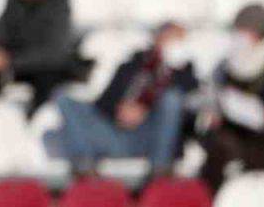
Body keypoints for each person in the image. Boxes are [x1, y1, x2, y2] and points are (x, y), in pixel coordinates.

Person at [53, 22, 197, 176]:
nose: (173, 45)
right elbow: (104, 102)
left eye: (178, 40)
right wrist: (119, 110)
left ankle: (160, 169)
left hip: (150, 137)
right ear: (158, 39)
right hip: (115, 132)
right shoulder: (133, 65)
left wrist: (145, 108)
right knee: (64, 98)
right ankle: (85, 166)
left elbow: (187, 104)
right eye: (170, 38)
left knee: (172, 98)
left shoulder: (185, 73)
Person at [199, 4, 264, 190]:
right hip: (231, 134)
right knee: (217, 147)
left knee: (253, 156)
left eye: (243, 31)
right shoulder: (225, 66)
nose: (239, 37)